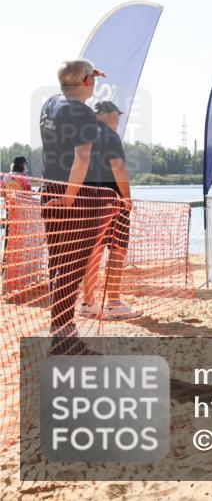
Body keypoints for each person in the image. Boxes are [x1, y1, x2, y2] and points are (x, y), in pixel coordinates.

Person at [39, 59, 115, 353]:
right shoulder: (81, 111)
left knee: (58, 266)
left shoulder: (49, 104)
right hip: (75, 198)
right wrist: (71, 197)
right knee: (72, 268)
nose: (95, 82)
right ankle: (63, 340)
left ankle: (61, 335)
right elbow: (81, 158)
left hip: (50, 191)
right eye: (92, 77)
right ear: (85, 82)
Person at [80, 101, 141, 320]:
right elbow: (118, 167)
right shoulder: (109, 135)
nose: (119, 119)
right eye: (117, 114)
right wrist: (127, 198)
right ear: (106, 114)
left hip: (87, 199)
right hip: (112, 200)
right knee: (117, 249)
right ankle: (113, 301)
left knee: (93, 251)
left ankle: (88, 303)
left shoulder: (84, 132)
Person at [2, 157, 35, 301]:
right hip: (22, 217)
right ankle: (17, 283)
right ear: (23, 166)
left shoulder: (5, 176)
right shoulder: (24, 178)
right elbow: (29, 195)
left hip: (9, 215)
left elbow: (2, 193)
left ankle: (5, 283)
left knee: (8, 246)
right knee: (20, 249)